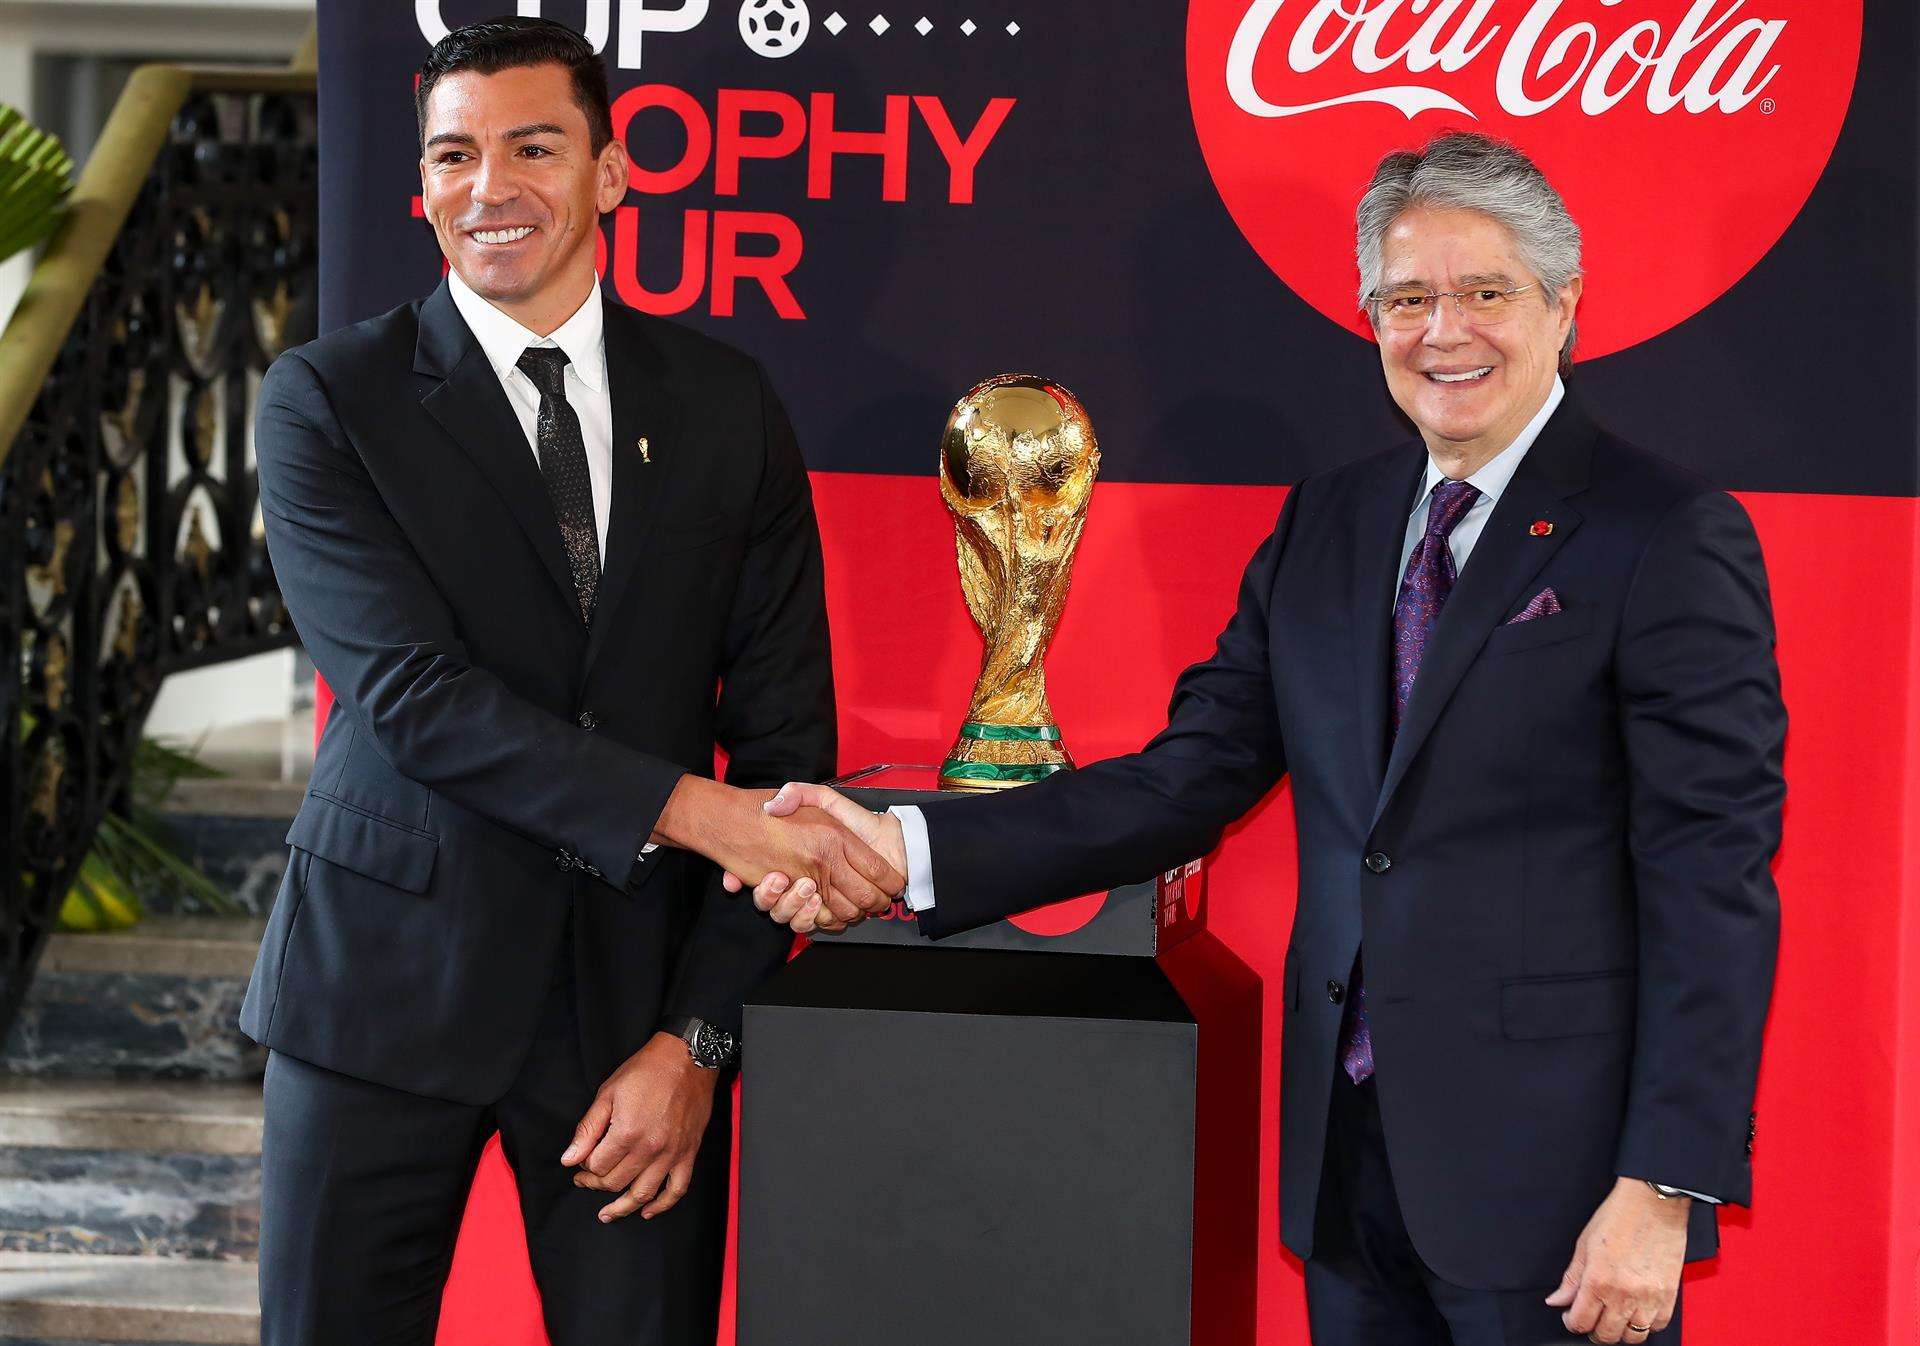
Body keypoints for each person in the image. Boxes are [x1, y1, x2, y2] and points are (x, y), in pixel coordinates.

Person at [743, 132, 1784, 1346]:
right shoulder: (1330, 522)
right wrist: (907, 845)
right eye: (1407, 298)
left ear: (1565, 304)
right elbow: (1190, 776)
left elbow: (1710, 870)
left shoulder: (1665, 531)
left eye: (1486, 291)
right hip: (1348, 1172)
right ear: (1372, 319)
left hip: (1560, 1188)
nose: (1444, 329)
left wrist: (1662, 1183)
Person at [239, 17, 899, 1345]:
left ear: (610, 168)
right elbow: (414, 697)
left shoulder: (726, 404)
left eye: (534, 147)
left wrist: (699, 1043)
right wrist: (694, 809)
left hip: (632, 1016)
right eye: (455, 155)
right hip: (379, 993)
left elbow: (784, 737)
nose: (492, 189)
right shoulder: (326, 398)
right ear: (421, 186)